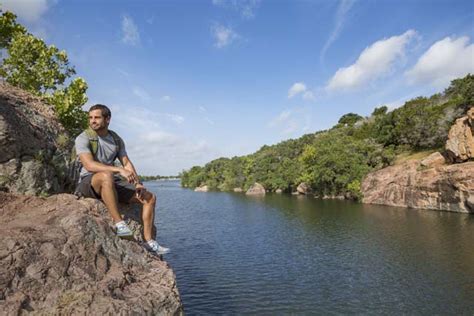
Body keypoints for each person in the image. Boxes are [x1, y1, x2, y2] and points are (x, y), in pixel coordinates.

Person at [74, 104, 170, 255]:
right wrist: (118, 169)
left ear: (108, 119)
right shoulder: (83, 137)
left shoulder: (116, 139)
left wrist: (137, 183)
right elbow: (89, 165)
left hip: (111, 180)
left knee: (149, 198)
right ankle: (120, 225)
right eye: (90, 117)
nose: (93, 121)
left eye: (97, 117)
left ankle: (149, 242)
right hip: (89, 181)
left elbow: (126, 163)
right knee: (107, 175)